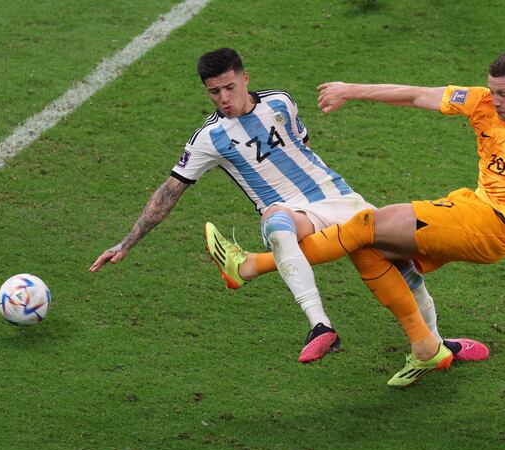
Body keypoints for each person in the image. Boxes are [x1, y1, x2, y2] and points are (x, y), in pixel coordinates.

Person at [88, 48, 483, 369]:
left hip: (341, 198)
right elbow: (169, 191)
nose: (223, 98)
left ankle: (432, 346)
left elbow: (303, 147)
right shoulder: (210, 138)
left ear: (244, 78)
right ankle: (319, 325)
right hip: (291, 211)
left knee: (407, 270)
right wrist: (127, 242)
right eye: (213, 92)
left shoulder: (280, 102)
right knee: (276, 225)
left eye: (228, 87)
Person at [208, 50, 505, 386]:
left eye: (504, 94)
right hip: (471, 207)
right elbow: (415, 95)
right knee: (370, 248)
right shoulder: (480, 102)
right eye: (492, 91)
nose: (496, 101)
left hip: (492, 226)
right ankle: (427, 347)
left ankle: (253, 265)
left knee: (366, 225)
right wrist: (351, 90)